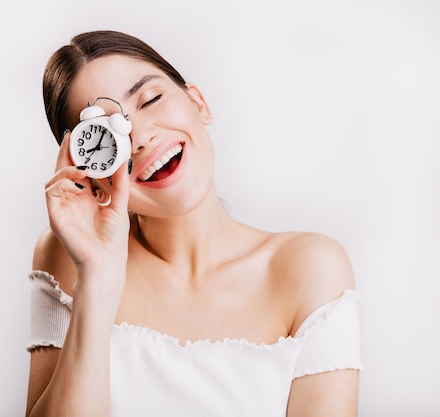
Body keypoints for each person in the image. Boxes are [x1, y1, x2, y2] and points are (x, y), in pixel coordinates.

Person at [25, 30, 362, 417]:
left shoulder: (311, 267)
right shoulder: (68, 257)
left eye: (151, 99)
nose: (141, 137)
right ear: (88, 170)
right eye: (105, 135)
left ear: (198, 102)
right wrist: (97, 278)